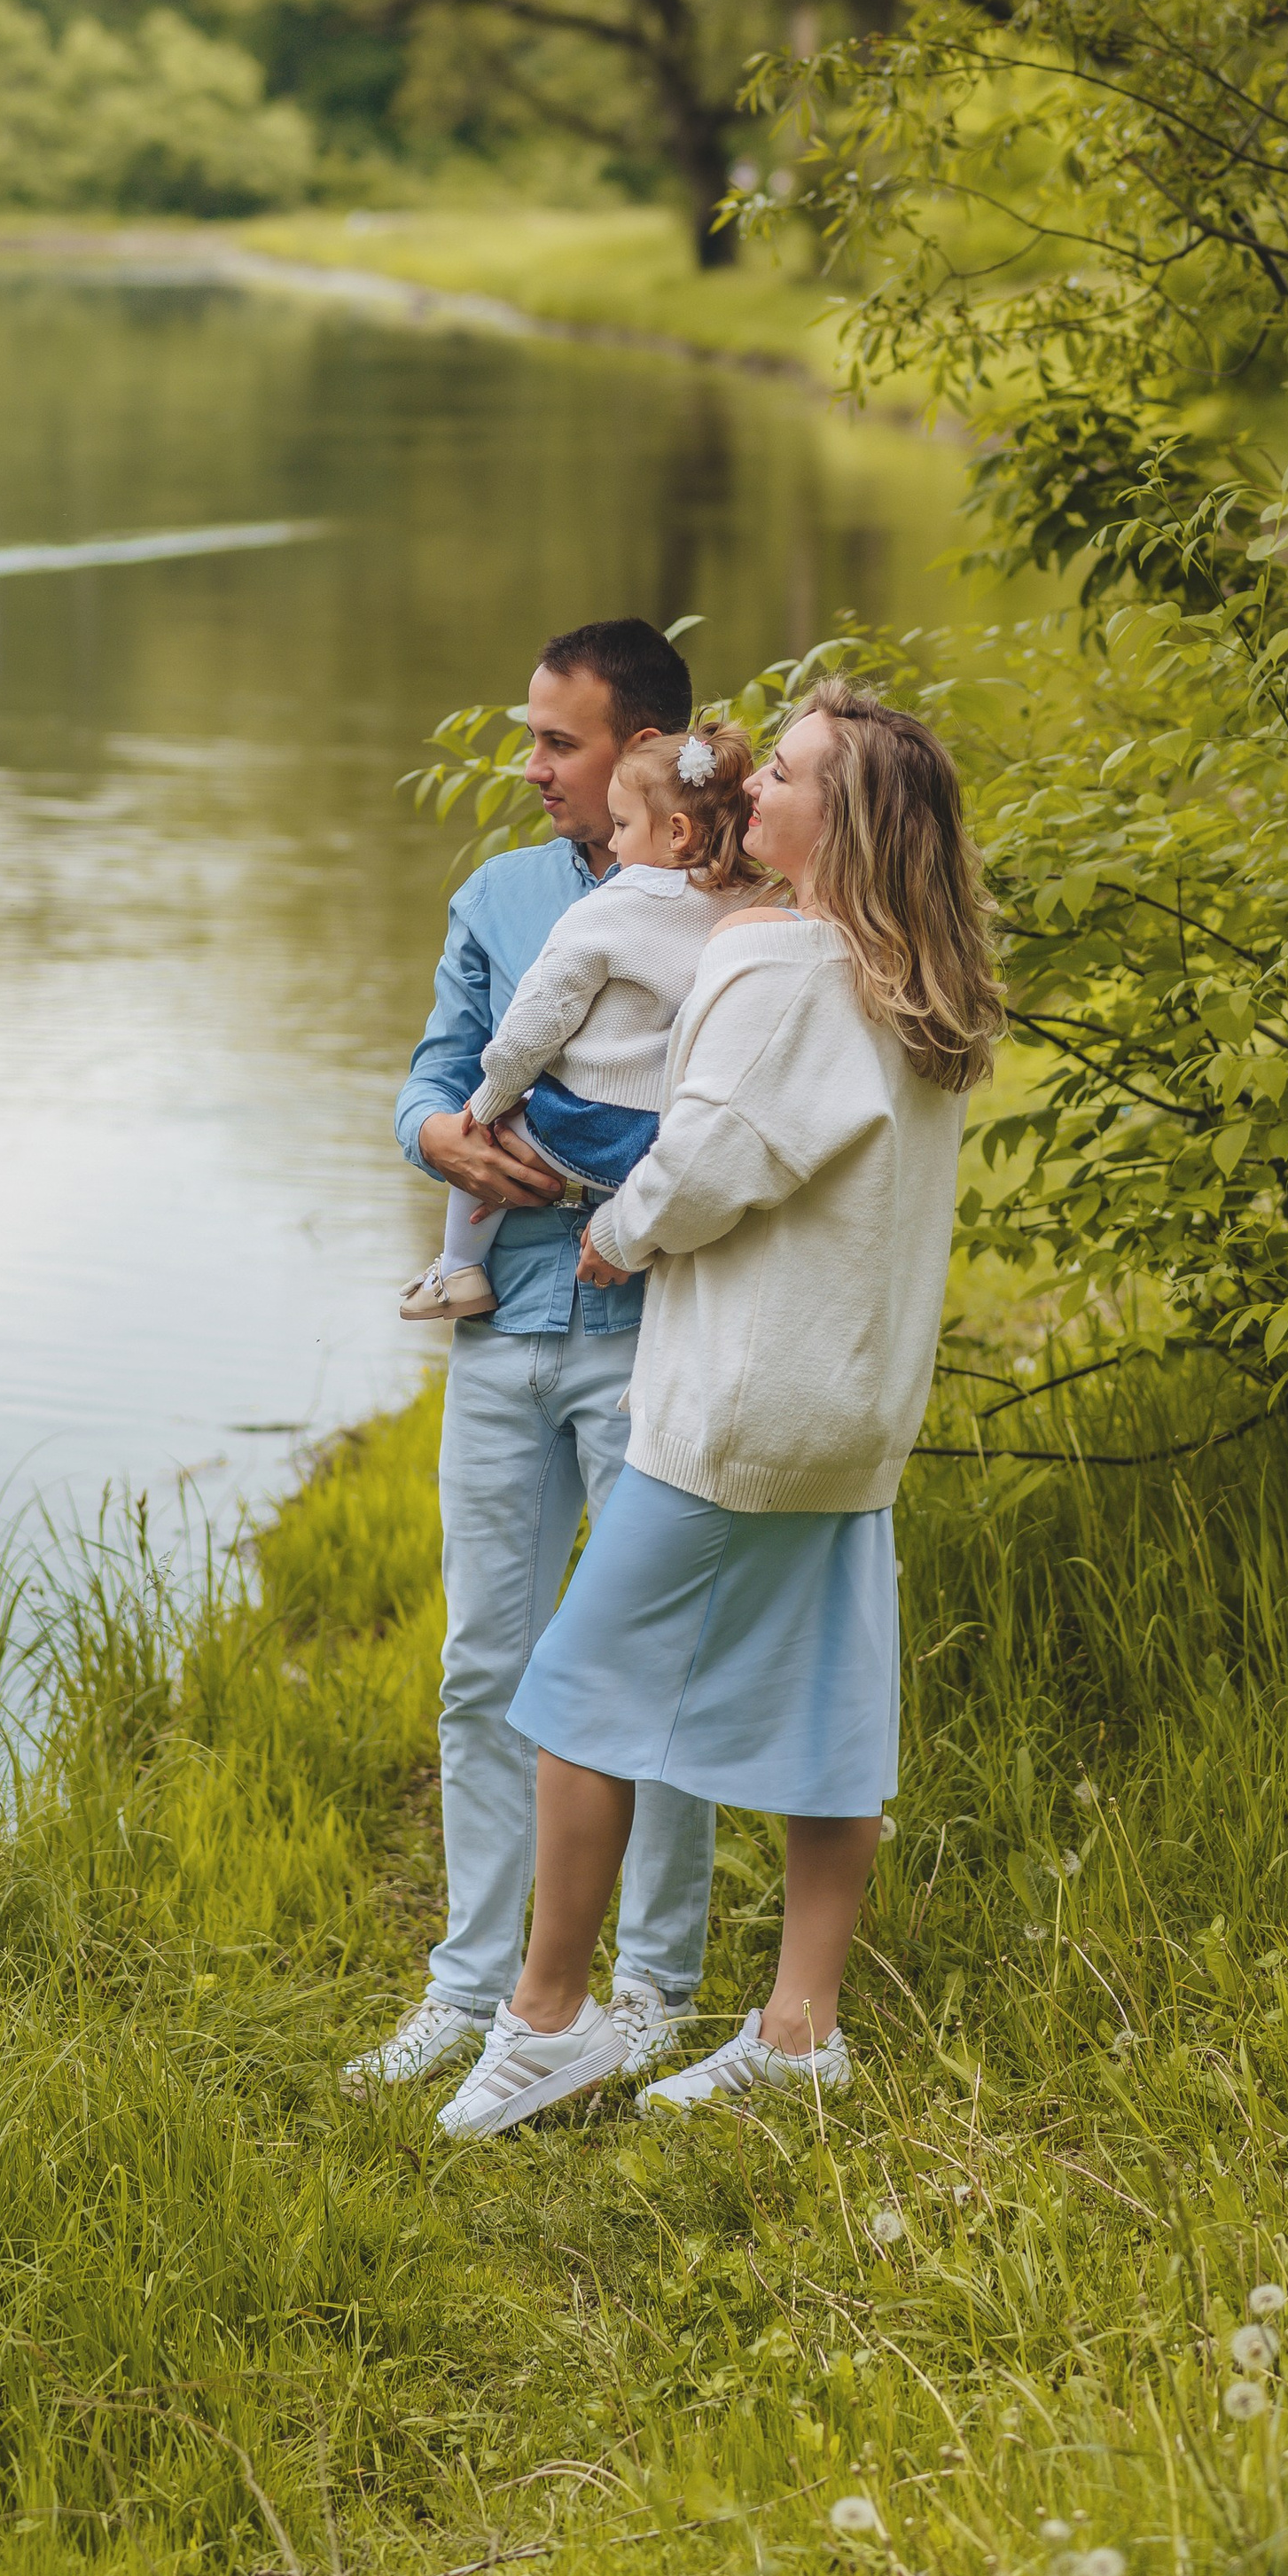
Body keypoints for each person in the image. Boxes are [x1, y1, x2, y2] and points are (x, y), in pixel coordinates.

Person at [434, 680, 1003, 2139]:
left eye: (789, 778)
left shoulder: (781, 966)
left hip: (740, 1411)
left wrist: (617, 1233)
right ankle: (798, 2028)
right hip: (853, 1414)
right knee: (830, 1711)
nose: (754, 793)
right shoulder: (916, 984)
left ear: (846, 820)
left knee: (569, 1692)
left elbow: (708, 1161)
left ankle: (546, 2020)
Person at [341, 619, 722, 2095]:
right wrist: (431, 1130)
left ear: (642, 751)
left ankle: (652, 1990)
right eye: (530, 735)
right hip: (500, 1331)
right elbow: (441, 1067)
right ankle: (473, 1987)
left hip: (656, 1330)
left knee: (652, 1666)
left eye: (557, 742)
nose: (531, 766)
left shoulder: (729, 899)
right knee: (483, 1657)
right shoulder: (501, 893)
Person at [398, 722, 758, 1321]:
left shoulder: (612, 905)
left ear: (676, 832)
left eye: (622, 827)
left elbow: (534, 1025)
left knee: (492, 1127)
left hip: (589, 1128)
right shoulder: (755, 904)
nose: (614, 848)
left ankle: (459, 1269)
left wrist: (486, 1105)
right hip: (668, 1141)